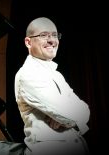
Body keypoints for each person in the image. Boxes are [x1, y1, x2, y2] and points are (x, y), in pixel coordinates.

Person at [14, 17, 90, 155]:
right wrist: (70, 117)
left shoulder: (57, 75)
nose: (51, 40)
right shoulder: (28, 74)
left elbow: (85, 111)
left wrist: (66, 118)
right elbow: (70, 115)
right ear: (28, 42)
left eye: (54, 35)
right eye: (44, 35)